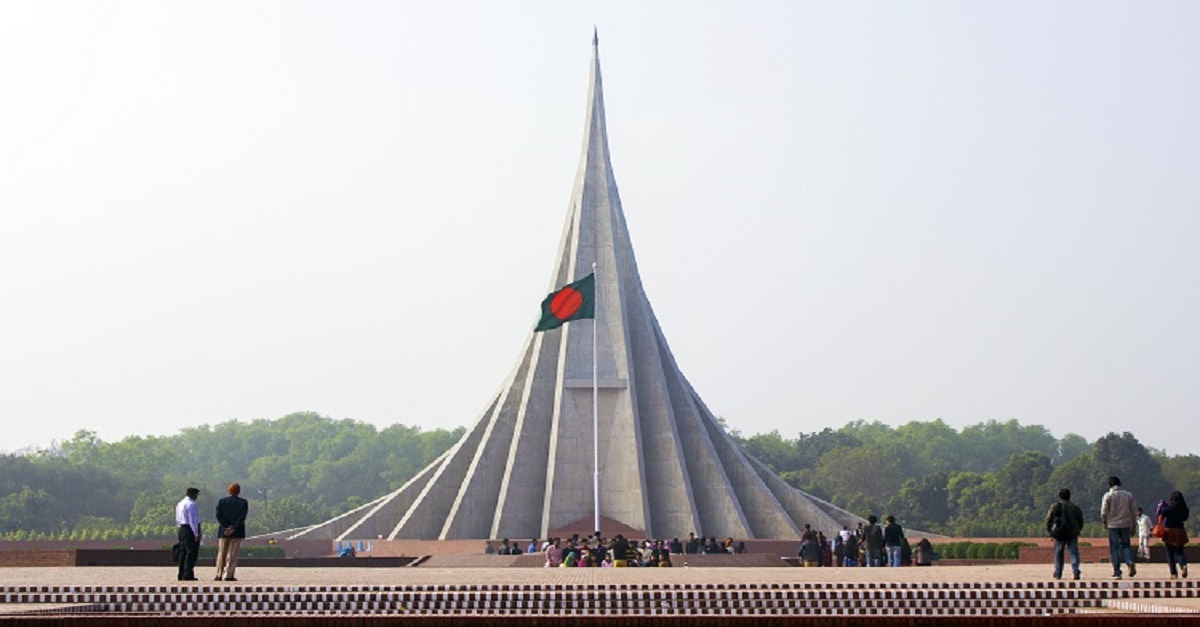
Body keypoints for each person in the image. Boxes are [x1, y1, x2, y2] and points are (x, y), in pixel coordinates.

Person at [1100, 475, 1138, 578]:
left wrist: (1104, 522)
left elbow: (1103, 511)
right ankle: (1129, 561)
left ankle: (1117, 571)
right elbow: (1134, 511)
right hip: (1126, 523)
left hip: (1112, 525)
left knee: (1114, 548)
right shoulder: (1128, 495)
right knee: (1126, 545)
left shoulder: (1108, 495)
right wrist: (1134, 524)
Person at [1046, 488, 1085, 581]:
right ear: (1069, 496)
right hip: (1072, 532)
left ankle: (1058, 572)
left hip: (1059, 533)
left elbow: (1049, 519)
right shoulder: (1074, 507)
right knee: (1073, 553)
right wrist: (1078, 529)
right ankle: (1075, 571)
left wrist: (1050, 531)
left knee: (1058, 553)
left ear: (1059, 496)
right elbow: (1080, 520)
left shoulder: (1055, 506)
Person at [214, 482, 248, 582]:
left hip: (223, 531)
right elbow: (242, 517)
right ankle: (229, 574)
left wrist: (226, 527)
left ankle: (218, 574)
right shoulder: (243, 502)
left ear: (228, 491)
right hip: (237, 531)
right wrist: (233, 527)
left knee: (221, 553)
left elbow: (218, 516)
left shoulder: (222, 502)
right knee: (232, 554)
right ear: (239, 491)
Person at [1158, 491, 1190, 579]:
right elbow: (1185, 518)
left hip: (1169, 531)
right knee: (1179, 552)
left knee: (1170, 554)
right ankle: (1183, 565)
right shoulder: (1184, 509)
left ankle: (1173, 573)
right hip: (1180, 531)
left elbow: (1161, 515)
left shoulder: (1168, 509)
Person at [174, 487, 202, 581]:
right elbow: (192, 520)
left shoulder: (180, 503)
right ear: (193, 495)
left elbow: (177, 519)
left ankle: (181, 573)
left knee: (183, 552)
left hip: (181, 528)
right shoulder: (191, 504)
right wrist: (196, 533)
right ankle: (188, 573)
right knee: (191, 552)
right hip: (189, 529)